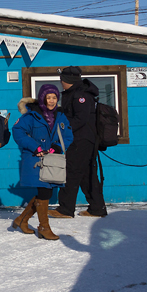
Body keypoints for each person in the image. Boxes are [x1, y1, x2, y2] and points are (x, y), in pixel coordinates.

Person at [11, 83, 74, 240]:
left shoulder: (61, 116)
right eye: (48, 97)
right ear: (42, 98)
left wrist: (57, 147)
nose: (51, 101)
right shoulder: (31, 115)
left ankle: (22, 220)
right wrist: (35, 147)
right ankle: (44, 227)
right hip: (35, 159)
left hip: (52, 159)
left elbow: (68, 136)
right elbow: (18, 132)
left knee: (45, 191)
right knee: (45, 191)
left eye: (54, 97)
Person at [49, 66, 108, 218]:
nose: (61, 82)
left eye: (62, 80)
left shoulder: (80, 95)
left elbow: (80, 119)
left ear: (68, 81)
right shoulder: (76, 93)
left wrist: (62, 127)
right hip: (83, 140)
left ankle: (65, 209)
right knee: (87, 175)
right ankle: (97, 208)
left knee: (71, 172)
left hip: (81, 140)